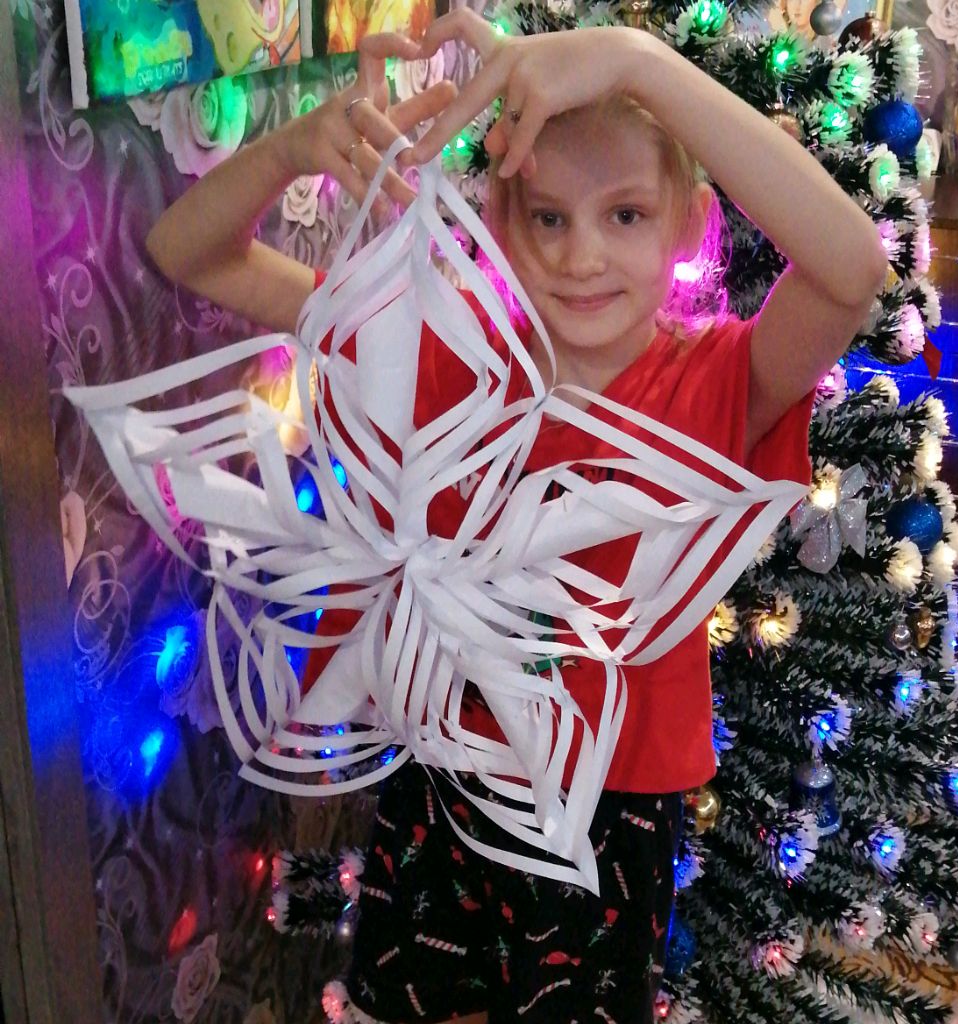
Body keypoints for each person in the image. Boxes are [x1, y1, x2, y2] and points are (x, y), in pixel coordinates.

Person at [145, 10, 888, 1024]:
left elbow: (852, 266)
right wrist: (289, 151)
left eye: (625, 214)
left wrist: (638, 63)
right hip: (440, 790)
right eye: (547, 218)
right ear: (501, 222)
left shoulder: (717, 385)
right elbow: (188, 251)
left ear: (687, 224)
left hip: (610, 822)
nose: (581, 257)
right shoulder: (442, 355)